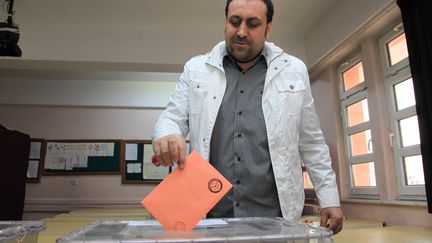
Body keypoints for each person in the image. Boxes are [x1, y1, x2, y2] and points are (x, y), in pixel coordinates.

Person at [152, 0, 343, 234]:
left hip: (275, 219)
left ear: (268, 27)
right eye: (235, 22)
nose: (241, 32)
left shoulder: (293, 70)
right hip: (210, 218)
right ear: (226, 22)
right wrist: (167, 134)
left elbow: (312, 143)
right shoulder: (196, 69)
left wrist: (329, 198)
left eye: (253, 24)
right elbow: (171, 118)